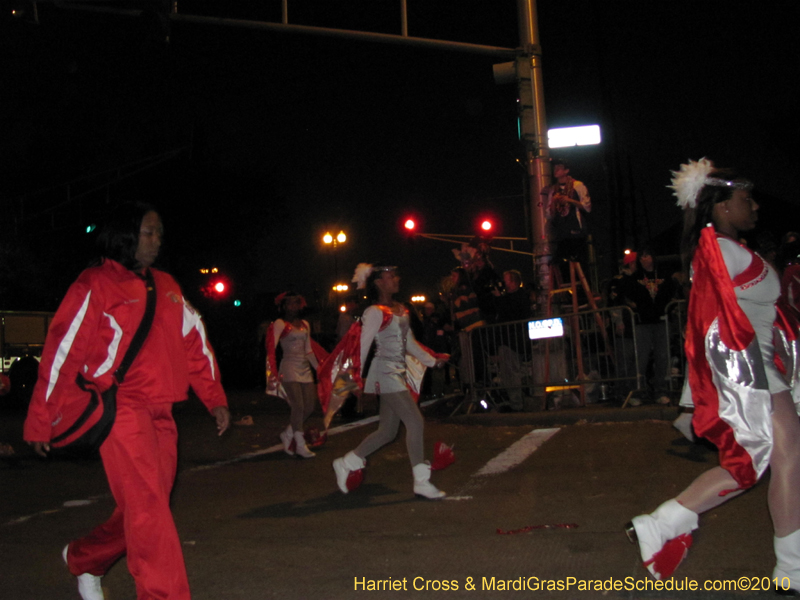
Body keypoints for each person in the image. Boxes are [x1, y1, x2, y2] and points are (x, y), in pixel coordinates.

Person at [23, 202, 230, 600]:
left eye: (159, 234)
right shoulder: (95, 283)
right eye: (148, 232)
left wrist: (214, 397)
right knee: (150, 508)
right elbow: (61, 351)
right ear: (125, 234)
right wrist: (40, 419)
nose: (156, 240)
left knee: (146, 507)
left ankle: (84, 558)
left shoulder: (168, 286)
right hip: (121, 410)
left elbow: (194, 343)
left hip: (163, 411)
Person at [627, 159, 800, 589]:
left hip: (760, 368)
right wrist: (726, 385)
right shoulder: (718, 250)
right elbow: (707, 325)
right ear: (721, 207)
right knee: (762, 460)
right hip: (752, 371)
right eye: (746, 200)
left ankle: (791, 568)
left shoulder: (725, 248)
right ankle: (665, 522)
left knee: (783, 460)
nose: (755, 206)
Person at [330, 263, 449, 499]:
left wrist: (433, 361)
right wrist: (353, 380)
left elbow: (410, 343)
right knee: (415, 422)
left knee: (387, 431)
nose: (396, 278)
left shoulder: (401, 309)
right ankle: (422, 481)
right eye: (390, 276)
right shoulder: (374, 312)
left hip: (398, 372)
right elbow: (362, 347)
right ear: (378, 282)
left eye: (395, 274)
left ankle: (347, 462)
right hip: (385, 372)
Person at [266, 291, 327, 458]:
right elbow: (272, 346)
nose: (293, 306)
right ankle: (300, 444)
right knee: (298, 406)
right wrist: (272, 370)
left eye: (296, 303)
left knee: (309, 407)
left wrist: (319, 369)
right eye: (290, 303)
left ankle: (288, 433)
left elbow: (308, 351)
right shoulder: (280, 323)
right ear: (283, 306)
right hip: (289, 367)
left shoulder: (306, 324)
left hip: (305, 368)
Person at [618, 246, 681, 405]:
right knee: (641, 358)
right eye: (642, 257)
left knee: (662, 357)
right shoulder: (635, 277)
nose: (645, 259)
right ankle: (638, 391)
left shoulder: (664, 275)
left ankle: (660, 390)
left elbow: (671, 293)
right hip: (643, 323)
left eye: (647, 256)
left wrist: (666, 308)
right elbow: (627, 294)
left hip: (661, 321)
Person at [541, 158, 592, 284]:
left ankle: (582, 295)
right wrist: (554, 202)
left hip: (576, 231)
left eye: (559, 167)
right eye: (555, 168)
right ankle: (567, 296)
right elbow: (548, 214)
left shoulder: (577, 185)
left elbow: (587, 207)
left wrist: (569, 200)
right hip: (561, 233)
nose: (556, 170)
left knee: (579, 264)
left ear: (566, 171)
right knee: (560, 264)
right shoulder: (553, 189)